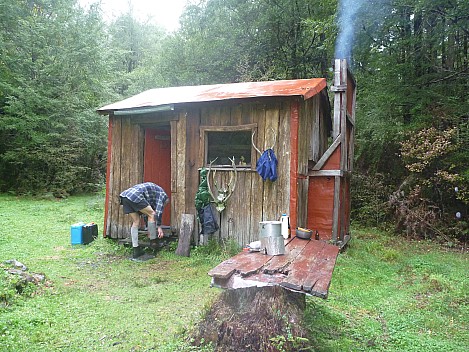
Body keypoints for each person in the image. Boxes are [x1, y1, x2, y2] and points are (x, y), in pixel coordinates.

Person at [119, 182, 169, 259]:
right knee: (152, 213)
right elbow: (157, 212)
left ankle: (136, 250)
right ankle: (154, 245)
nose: (162, 206)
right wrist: (159, 227)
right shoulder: (162, 196)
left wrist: (149, 229)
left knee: (136, 221)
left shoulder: (153, 196)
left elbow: (146, 215)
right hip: (135, 196)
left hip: (125, 196)